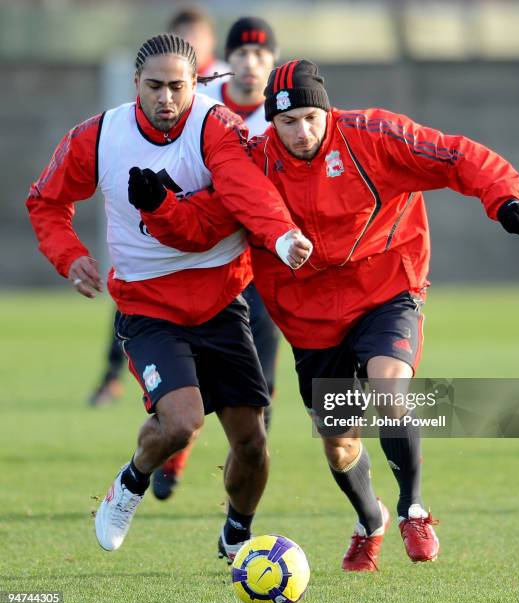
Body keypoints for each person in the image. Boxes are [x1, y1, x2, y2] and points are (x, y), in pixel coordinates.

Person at [138, 60, 519, 572]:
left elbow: (454, 155)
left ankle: (414, 508)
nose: (301, 132)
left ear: (326, 109)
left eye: (310, 118)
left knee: (389, 390)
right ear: (271, 122)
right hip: (310, 320)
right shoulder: (253, 166)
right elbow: (204, 223)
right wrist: (159, 206)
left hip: (387, 289)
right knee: (340, 446)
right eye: (287, 122)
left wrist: (502, 197)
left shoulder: (374, 135)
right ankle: (371, 520)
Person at [26, 35, 312, 559]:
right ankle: (131, 483)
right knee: (182, 423)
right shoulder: (98, 136)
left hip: (223, 299)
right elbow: (46, 201)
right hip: (147, 306)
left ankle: (237, 532)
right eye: (154, 86)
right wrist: (69, 257)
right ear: (135, 83)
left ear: (194, 82)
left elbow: (245, 190)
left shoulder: (216, 126)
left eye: (177, 87)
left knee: (251, 441)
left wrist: (280, 233)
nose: (165, 98)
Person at [152, 16, 281, 502]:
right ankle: (176, 449)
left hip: (260, 268)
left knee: (257, 386)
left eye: (261, 55)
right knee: (192, 378)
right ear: (229, 61)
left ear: (272, 64)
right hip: (206, 263)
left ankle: (238, 489)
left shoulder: (282, 117)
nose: (250, 64)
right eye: (242, 54)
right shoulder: (202, 112)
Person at [88, 6, 231, 407]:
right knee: (134, 295)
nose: (166, 96)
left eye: (198, 36)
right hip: (160, 245)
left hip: (225, 250)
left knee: (259, 397)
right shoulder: (148, 96)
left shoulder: (226, 95)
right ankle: (114, 380)